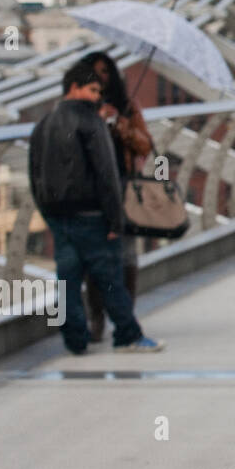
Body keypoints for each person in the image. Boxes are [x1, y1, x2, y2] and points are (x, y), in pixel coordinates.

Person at [28, 60, 164, 355]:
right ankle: (127, 335)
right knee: (110, 279)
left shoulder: (43, 124)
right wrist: (116, 220)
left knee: (67, 281)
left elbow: (33, 171)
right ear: (74, 88)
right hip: (93, 216)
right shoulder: (91, 122)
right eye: (92, 89)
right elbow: (106, 174)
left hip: (58, 217)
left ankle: (75, 341)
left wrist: (47, 212)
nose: (97, 96)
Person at [82, 51, 155, 344]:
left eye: (106, 71)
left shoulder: (127, 107)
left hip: (123, 187)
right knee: (94, 258)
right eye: (95, 72)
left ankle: (126, 317)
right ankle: (96, 319)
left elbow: (145, 145)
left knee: (126, 255)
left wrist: (121, 125)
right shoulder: (82, 109)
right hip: (92, 192)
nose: (101, 77)